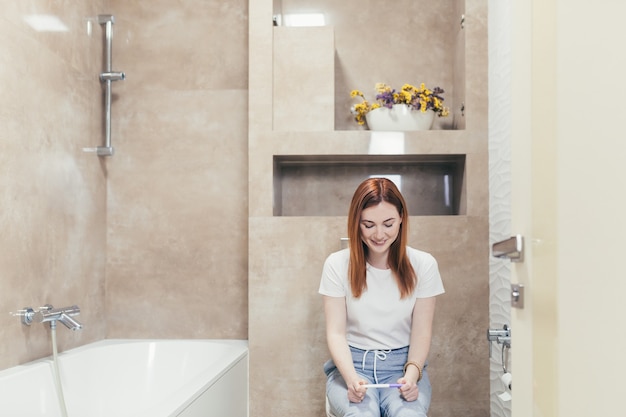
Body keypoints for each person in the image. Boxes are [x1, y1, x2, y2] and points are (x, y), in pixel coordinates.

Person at [319, 177, 445, 417]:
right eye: (368, 224)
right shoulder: (336, 265)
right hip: (352, 365)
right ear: (356, 223)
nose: (379, 234)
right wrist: (351, 379)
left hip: (403, 366)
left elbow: (421, 332)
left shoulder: (424, 265)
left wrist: (411, 375)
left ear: (401, 219)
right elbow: (335, 333)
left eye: (388, 224)